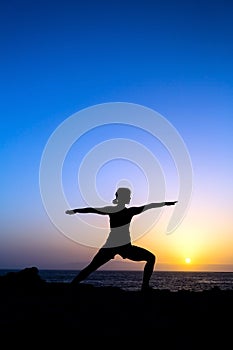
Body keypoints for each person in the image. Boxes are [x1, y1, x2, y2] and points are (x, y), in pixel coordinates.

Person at [65, 187, 177, 291]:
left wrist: (75, 210)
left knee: (151, 258)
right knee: (91, 267)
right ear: (122, 197)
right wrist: (76, 210)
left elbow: (149, 206)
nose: (130, 198)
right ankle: (145, 286)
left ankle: (145, 286)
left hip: (123, 247)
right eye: (128, 196)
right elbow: (92, 209)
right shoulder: (127, 211)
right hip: (117, 246)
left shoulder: (124, 210)